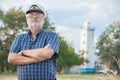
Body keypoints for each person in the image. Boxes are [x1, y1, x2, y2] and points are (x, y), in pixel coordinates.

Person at [8, 4, 59, 80]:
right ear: (27, 19)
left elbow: (47, 54)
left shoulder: (51, 35)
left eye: (38, 14)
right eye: (30, 15)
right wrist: (38, 58)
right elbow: (11, 59)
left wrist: (24, 52)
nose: (34, 17)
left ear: (43, 19)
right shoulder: (19, 38)